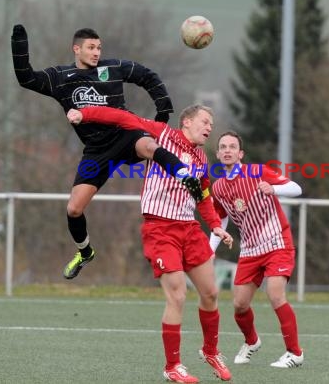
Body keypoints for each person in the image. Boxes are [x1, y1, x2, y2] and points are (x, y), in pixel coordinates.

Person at [11, 25, 202, 280]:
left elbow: (147, 76)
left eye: (99, 47)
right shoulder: (60, 77)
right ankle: (85, 252)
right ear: (76, 49)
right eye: (91, 47)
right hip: (96, 151)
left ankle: (184, 175)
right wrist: (19, 44)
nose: (96, 52)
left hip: (125, 134)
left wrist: (163, 110)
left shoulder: (112, 68)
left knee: (149, 147)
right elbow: (27, 79)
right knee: (74, 209)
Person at [68, 104, 233, 383]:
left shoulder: (201, 158)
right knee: (177, 296)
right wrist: (85, 114)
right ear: (187, 121)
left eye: (211, 125)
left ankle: (210, 351)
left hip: (190, 229)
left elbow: (203, 196)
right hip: (160, 229)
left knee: (211, 293)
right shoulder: (161, 134)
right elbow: (123, 118)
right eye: (205, 122)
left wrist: (215, 225)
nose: (209, 128)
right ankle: (172, 366)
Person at [209, 131, 305, 368]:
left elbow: (296, 188)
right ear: (218, 153)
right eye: (223, 147)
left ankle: (295, 353)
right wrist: (210, 251)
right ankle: (251, 341)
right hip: (250, 249)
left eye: (233, 147)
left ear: (240, 153)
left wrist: (274, 189)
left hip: (277, 242)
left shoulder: (257, 171)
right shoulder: (219, 187)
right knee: (239, 305)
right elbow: (219, 220)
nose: (227, 150)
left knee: (275, 293)